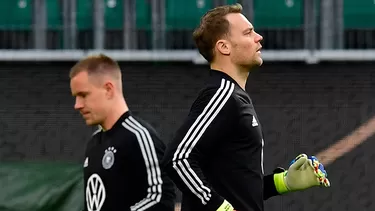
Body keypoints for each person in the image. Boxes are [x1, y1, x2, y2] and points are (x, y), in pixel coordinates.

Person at [161, 4, 330, 211]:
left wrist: (283, 182)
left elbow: (237, 188)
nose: (259, 37)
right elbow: (177, 158)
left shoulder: (234, 97)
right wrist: (219, 207)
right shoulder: (221, 95)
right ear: (224, 47)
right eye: (248, 33)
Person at [69, 54, 176, 211]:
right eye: (75, 97)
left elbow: (160, 199)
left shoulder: (138, 136)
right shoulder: (93, 143)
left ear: (108, 90)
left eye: (83, 95)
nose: (77, 105)